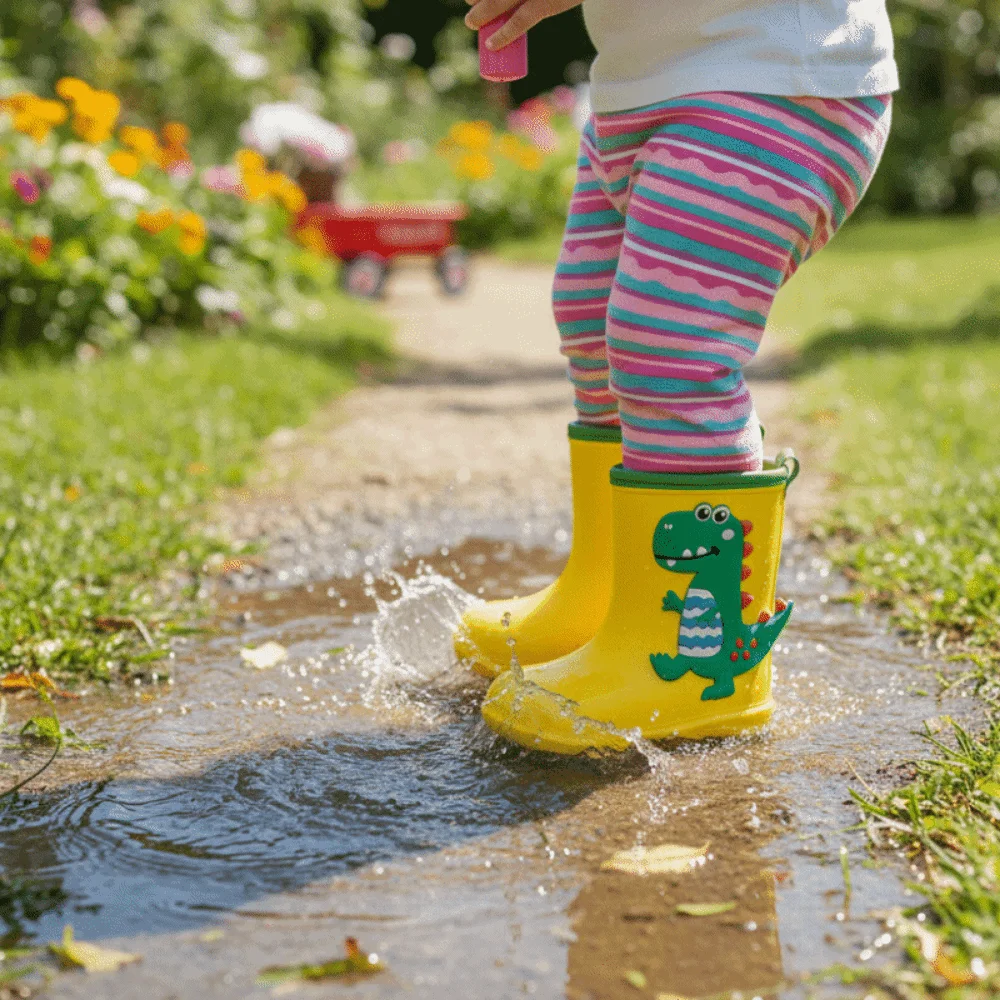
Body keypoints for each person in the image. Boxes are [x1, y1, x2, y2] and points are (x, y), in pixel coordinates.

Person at [455, 0, 896, 753]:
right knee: (591, 316)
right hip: (644, 90)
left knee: (672, 344)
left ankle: (692, 673)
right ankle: (614, 599)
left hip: (772, 83)